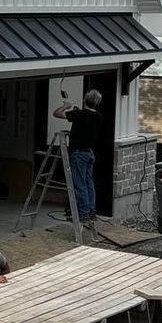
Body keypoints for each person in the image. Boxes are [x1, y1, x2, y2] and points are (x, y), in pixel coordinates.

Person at [53, 89, 106, 225]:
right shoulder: (98, 117)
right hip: (89, 153)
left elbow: (57, 114)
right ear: (97, 103)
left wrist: (66, 106)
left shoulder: (79, 114)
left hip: (78, 153)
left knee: (80, 184)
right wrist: (75, 111)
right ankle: (91, 212)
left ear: (85, 100)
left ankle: (83, 214)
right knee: (89, 183)